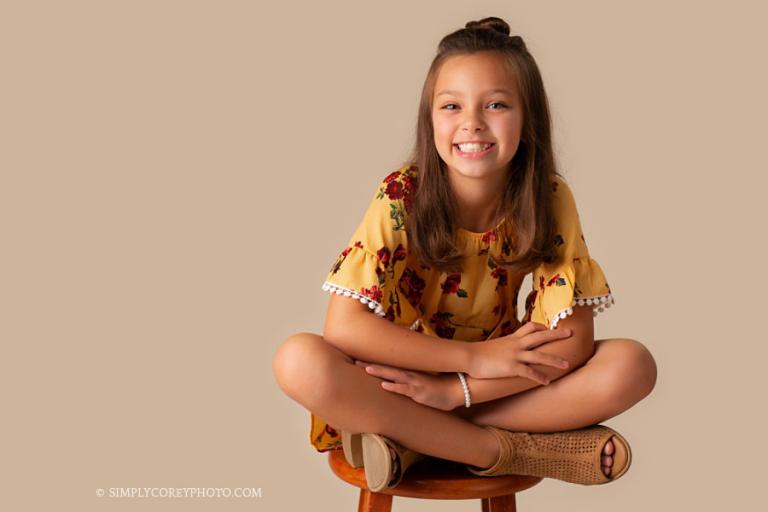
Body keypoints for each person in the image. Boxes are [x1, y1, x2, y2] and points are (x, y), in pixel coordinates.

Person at [272, 16, 657, 492]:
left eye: (496, 104)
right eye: (451, 105)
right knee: (298, 360)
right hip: (399, 382)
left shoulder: (548, 197)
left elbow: (573, 342)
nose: (472, 122)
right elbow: (345, 327)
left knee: (631, 364)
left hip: (494, 385)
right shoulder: (402, 195)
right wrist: (472, 360)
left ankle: (414, 442)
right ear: (430, 119)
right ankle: (496, 450)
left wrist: (457, 390)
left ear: (528, 119)